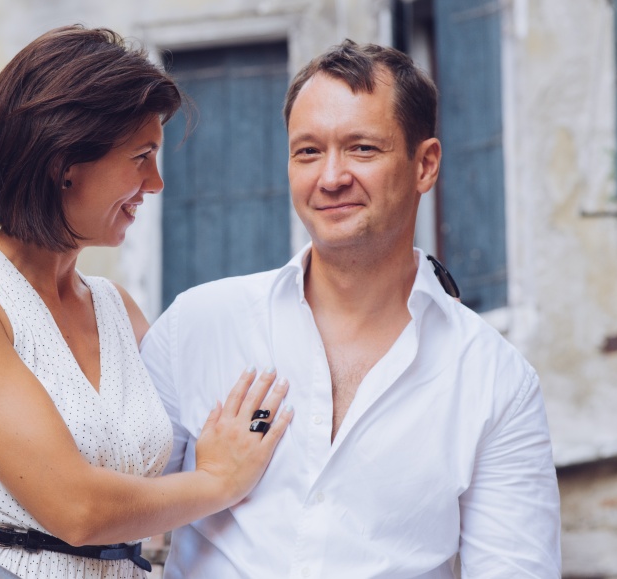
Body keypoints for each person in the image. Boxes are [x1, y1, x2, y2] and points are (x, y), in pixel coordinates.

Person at [141, 39, 562, 578]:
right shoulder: (196, 327)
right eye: (308, 152)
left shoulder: (496, 381)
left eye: (362, 149)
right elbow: (107, 523)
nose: (331, 177)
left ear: (425, 164)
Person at [0, 25, 292, 579]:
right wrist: (218, 482)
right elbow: (77, 509)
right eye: (141, 156)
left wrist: (266, 416)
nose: (156, 183)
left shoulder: (116, 308)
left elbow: (229, 418)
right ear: (64, 164)